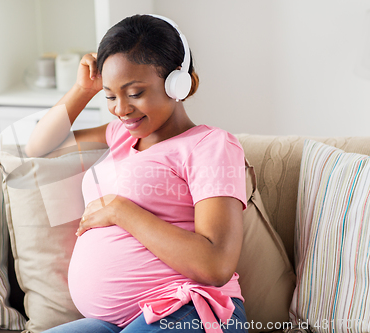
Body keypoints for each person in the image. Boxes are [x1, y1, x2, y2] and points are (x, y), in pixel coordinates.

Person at [26, 14, 248, 333]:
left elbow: (216, 266)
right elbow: (40, 145)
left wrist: (120, 210)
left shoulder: (211, 145)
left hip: (191, 309)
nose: (121, 109)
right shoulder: (120, 134)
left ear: (178, 83)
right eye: (110, 96)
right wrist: (82, 89)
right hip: (113, 322)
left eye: (134, 93)